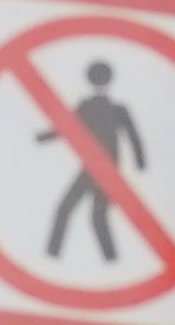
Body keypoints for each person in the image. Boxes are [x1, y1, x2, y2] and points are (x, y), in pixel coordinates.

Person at [42, 58, 150, 267]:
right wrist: (140, 163)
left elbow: (65, 128)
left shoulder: (100, 107)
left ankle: (57, 255)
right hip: (99, 168)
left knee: (76, 211)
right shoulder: (110, 108)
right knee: (92, 215)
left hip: (100, 168)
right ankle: (109, 261)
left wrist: (141, 163)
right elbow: (68, 127)